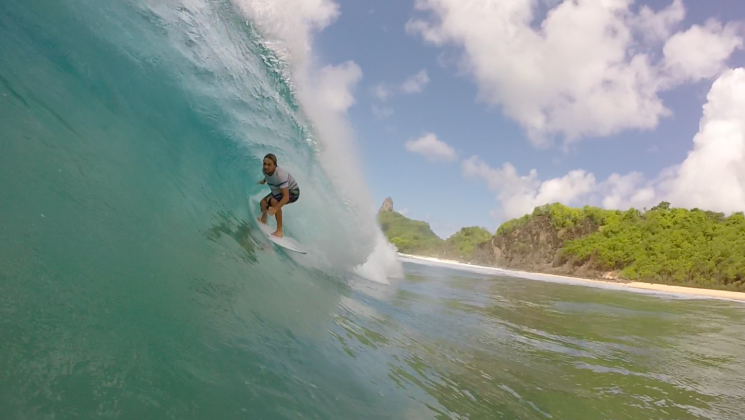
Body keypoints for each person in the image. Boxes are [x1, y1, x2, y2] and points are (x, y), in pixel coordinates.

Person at [257, 153, 300, 237]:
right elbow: (268, 176)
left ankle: (279, 230)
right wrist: (263, 181)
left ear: (275, 165)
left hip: (293, 192)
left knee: (274, 202)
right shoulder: (265, 170)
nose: (266, 166)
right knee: (263, 203)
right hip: (279, 191)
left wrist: (275, 208)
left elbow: (286, 197)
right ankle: (263, 219)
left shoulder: (280, 175)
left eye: (269, 164)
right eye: (264, 164)